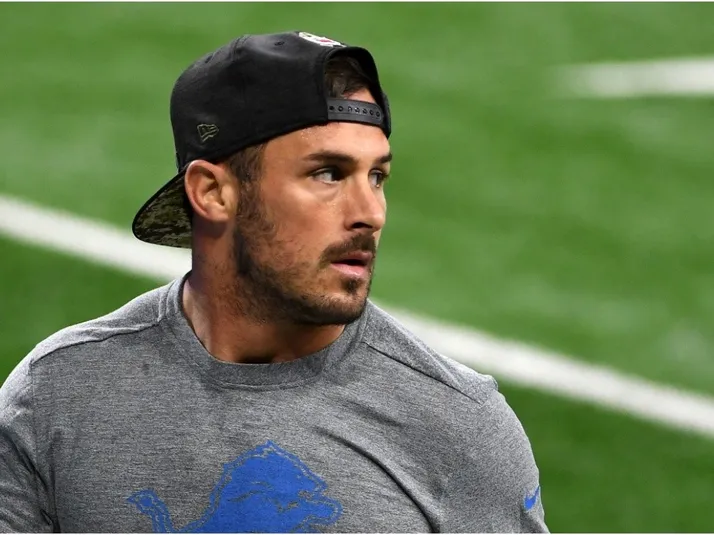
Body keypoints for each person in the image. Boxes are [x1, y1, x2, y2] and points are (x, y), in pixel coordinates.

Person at [0, 31, 547, 533]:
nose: (370, 213)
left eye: (377, 176)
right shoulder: (59, 397)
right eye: (328, 173)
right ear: (212, 192)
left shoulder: (459, 429)